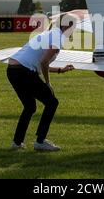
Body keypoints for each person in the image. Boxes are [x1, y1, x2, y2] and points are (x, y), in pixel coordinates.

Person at [7, 14, 76, 151]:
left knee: (30, 107)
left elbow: (39, 63)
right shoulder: (58, 37)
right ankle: (40, 141)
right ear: (67, 26)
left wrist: (60, 70)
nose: (74, 30)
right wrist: (48, 83)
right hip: (23, 71)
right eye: (73, 26)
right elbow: (43, 62)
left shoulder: (50, 33)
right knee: (52, 102)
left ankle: (17, 142)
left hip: (13, 70)